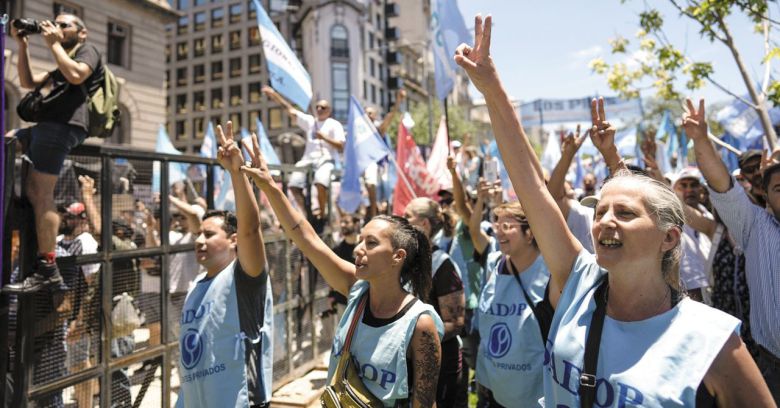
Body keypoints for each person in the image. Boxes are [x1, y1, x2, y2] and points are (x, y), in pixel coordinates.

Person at [455, 15, 774, 406]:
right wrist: (491, 89)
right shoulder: (577, 282)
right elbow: (532, 187)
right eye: (600, 211)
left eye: (624, 214)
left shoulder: (712, 342)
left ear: (669, 236)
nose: (604, 220)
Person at [239, 133, 444, 407]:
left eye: (371, 243)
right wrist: (269, 186)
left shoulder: (420, 324)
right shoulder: (356, 290)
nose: (359, 248)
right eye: (360, 240)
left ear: (398, 256)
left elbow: (425, 403)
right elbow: (306, 238)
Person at [686, 98, 780, 403]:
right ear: (765, 194)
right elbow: (721, 183)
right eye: (779, 188)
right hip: (771, 366)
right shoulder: (755, 227)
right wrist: (701, 139)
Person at [175, 122, 274, 408]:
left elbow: (250, 229)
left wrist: (236, 172)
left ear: (233, 240)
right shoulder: (197, 286)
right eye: (198, 235)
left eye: (209, 234)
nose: (199, 241)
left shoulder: (245, 277)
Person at [5, 13, 105, 294]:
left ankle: (48, 268)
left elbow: (77, 75)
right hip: (44, 126)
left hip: (63, 125)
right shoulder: (62, 60)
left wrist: (53, 44)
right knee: (8, 142)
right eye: (55, 23)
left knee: (40, 193)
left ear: (81, 33)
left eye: (65, 25)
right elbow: (27, 81)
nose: (57, 27)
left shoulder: (88, 50)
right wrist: (22, 43)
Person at [468, 181, 551, 407]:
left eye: (508, 225)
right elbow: (473, 231)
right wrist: (480, 201)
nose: (498, 231)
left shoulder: (550, 272)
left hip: (535, 394)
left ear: (530, 233)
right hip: (494, 390)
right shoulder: (494, 262)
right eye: (497, 223)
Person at [404, 197, 465, 407]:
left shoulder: (442, 265)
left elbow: (456, 322)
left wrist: (417, 342)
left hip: (441, 366)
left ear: (424, 224)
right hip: (412, 365)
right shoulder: (407, 263)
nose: (401, 224)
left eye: (407, 217)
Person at [262, 86, 345, 218]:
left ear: (329, 111)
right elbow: (289, 109)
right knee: (293, 185)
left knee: (320, 182)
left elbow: (341, 146)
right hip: (307, 160)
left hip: (326, 160)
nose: (319, 109)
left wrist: (325, 138)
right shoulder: (311, 121)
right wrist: (273, 95)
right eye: (317, 107)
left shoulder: (334, 124)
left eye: (323, 107)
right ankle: (307, 214)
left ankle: (322, 215)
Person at [672, 168, 712, 301]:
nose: (689, 190)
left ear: (700, 189)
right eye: (683, 185)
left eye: (693, 185)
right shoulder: (669, 220)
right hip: (686, 295)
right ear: (674, 189)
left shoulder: (710, 218)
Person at [365, 89, 405, 218]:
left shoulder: (378, 130)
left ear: (375, 116)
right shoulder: (358, 133)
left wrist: (398, 102)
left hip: (378, 168)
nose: (368, 116)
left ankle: (374, 215)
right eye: (365, 113)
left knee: (374, 186)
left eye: (371, 113)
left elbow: (389, 119)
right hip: (361, 168)